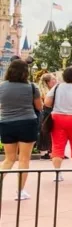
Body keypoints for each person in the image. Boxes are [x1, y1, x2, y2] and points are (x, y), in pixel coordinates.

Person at [0, 59, 42, 200]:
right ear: (25, 72)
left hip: (6, 123)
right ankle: (20, 191)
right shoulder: (31, 87)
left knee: (9, 159)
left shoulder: (2, 86)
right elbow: (39, 107)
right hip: (27, 123)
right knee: (24, 159)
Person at [36, 73, 57, 160]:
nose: (55, 81)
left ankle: (51, 151)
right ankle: (46, 152)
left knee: (48, 133)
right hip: (46, 114)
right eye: (53, 79)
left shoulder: (48, 90)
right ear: (48, 82)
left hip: (47, 113)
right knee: (46, 133)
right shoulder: (46, 92)